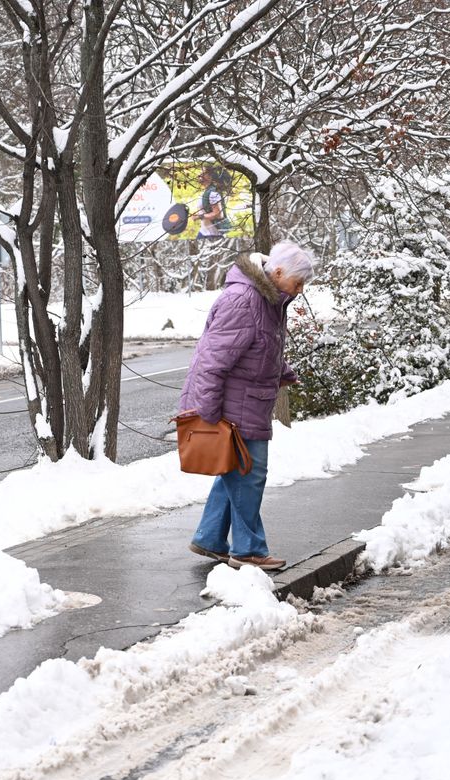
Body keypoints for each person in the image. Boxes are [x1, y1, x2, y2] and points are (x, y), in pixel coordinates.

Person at [179, 241, 317, 570]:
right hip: (232, 406)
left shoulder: (268, 301)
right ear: (278, 272)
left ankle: (210, 538)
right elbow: (213, 361)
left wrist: (281, 372)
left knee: (234, 471)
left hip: (246, 403)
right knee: (248, 475)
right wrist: (208, 413)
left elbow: (256, 347)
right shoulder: (244, 300)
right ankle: (248, 550)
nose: (299, 291)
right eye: (297, 283)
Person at [193, 168, 228, 239]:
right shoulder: (207, 191)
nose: (200, 175)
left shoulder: (213, 193)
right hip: (204, 232)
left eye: (204, 173)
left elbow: (217, 214)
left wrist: (199, 217)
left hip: (214, 235)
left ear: (210, 177)